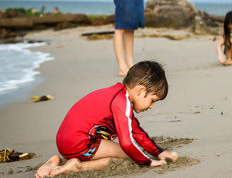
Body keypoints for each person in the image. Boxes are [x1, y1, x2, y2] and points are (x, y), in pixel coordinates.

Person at [35, 61, 178, 178]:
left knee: (125, 151)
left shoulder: (116, 95)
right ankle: (78, 166)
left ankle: (57, 162)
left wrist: (160, 152)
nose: (152, 106)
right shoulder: (121, 102)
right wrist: (148, 162)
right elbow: (127, 142)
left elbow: (136, 131)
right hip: (80, 142)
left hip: (65, 142)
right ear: (140, 90)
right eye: (152, 100)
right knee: (127, 156)